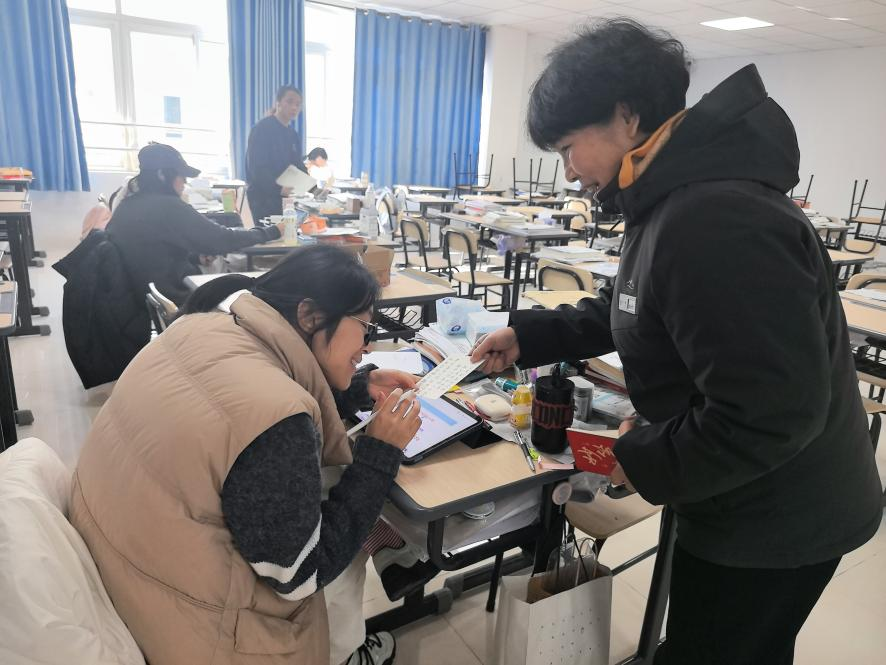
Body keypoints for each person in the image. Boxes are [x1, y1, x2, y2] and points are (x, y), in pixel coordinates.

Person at [472, 19, 882, 665]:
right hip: (738, 489)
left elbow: (773, 412)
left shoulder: (715, 215)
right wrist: (529, 335)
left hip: (775, 516)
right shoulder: (671, 196)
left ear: (627, 116)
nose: (569, 172)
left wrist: (644, 458)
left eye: (570, 148)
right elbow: (633, 303)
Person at [70, 244, 422, 665]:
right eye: (365, 328)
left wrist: (355, 388)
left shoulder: (201, 326)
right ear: (310, 316)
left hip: (130, 561)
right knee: (344, 501)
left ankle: (392, 552)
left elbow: (244, 401)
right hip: (198, 629)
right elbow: (302, 574)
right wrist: (380, 453)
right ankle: (349, 645)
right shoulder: (277, 420)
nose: (366, 346)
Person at [107, 142, 283, 305]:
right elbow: (222, 239)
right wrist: (273, 231)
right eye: (181, 176)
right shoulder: (168, 206)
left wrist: (195, 257)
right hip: (177, 296)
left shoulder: (128, 204)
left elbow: (154, 251)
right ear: (162, 175)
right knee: (252, 286)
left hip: (146, 296)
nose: (185, 182)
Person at [246, 85, 308, 223]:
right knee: (267, 235)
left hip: (284, 201)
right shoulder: (262, 129)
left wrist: (314, 188)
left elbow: (298, 164)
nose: (294, 107)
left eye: (298, 104)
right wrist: (278, 189)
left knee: (288, 234)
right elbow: (257, 168)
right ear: (278, 103)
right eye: (290, 102)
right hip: (262, 199)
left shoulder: (292, 134)